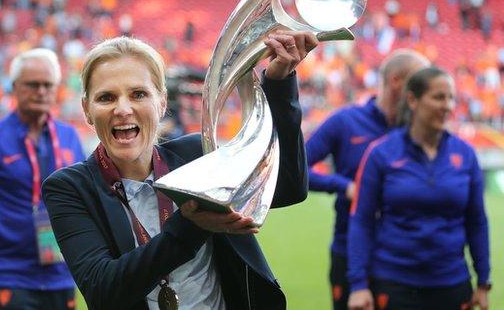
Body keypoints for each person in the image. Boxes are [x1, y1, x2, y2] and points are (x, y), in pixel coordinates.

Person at [41, 31, 315, 309]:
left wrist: (280, 84)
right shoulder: (70, 188)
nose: (123, 109)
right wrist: (191, 225)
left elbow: (287, 187)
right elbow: (104, 290)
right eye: (106, 98)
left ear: (161, 103)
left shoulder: (198, 154)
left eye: (138, 94)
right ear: (87, 109)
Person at [0, 48, 85, 310]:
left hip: (63, 277)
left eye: (48, 85)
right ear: (15, 87)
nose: (41, 91)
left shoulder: (70, 138)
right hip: (11, 276)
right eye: (33, 84)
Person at [347, 67, 491, 310]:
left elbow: (477, 221)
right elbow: (362, 220)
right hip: (395, 284)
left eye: (451, 98)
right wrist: (358, 284)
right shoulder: (381, 153)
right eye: (438, 97)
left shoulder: (465, 154)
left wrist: (483, 281)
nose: (447, 105)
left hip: (452, 285)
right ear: (412, 100)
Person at [305, 49, 430, 310]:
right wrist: (344, 186)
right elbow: (294, 171)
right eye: (421, 82)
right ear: (397, 81)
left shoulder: (419, 131)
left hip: (405, 257)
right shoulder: (345, 121)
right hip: (349, 251)